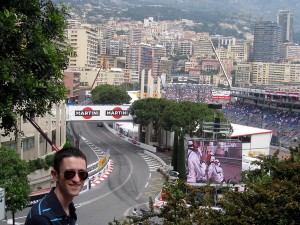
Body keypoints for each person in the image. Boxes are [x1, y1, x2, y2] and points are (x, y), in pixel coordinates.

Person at [25, 147, 88, 225]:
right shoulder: (41, 217)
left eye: (82, 174)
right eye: (69, 173)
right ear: (55, 175)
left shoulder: (69, 209)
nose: (77, 179)